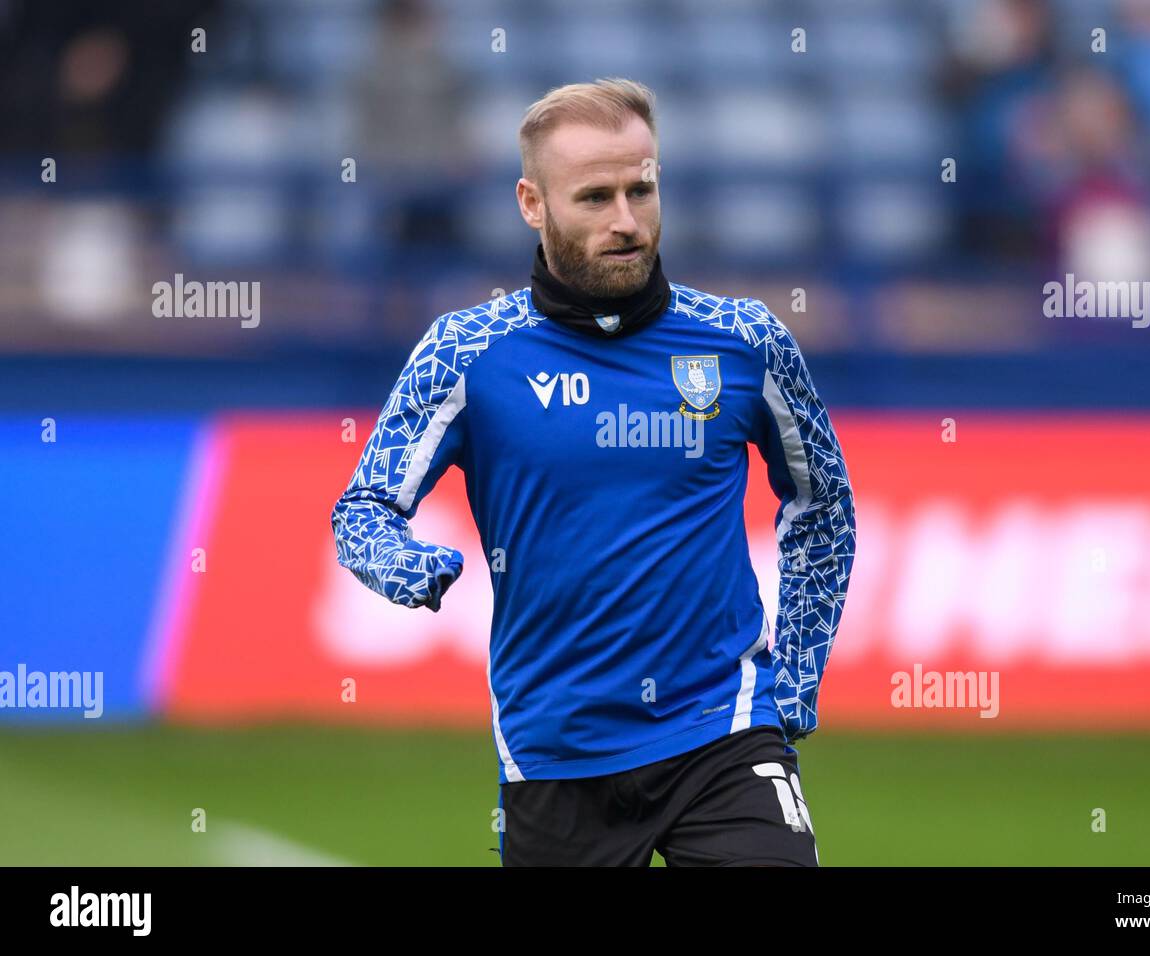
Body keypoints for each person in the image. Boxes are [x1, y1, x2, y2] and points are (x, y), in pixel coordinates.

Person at [331, 77, 856, 866]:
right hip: (556, 754)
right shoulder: (466, 352)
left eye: (641, 191)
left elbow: (824, 505)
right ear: (531, 204)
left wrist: (801, 673)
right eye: (594, 197)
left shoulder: (746, 342)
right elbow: (364, 508)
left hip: (724, 734)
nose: (625, 221)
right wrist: (407, 565)